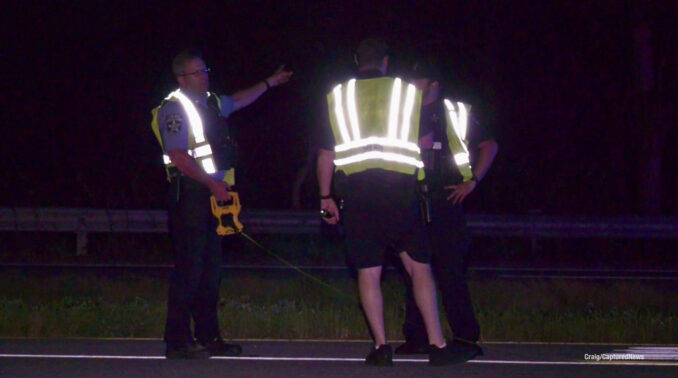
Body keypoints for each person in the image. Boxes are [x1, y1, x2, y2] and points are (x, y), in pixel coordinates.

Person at [316, 37, 462, 366]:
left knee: (369, 272)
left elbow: (326, 153)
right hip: (400, 189)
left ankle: (381, 347)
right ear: (385, 61)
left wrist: (326, 197)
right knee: (418, 266)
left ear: (356, 60)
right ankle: (437, 345)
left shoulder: (337, 96)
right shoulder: (407, 92)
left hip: (358, 191)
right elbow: (425, 139)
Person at [150, 49, 292, 359]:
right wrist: (212, 184)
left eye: (205, 70)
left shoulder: (211, 103)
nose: (205, 75)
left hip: (213, 194)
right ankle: (178, 340)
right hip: (190, 194)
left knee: (211, 270)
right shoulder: (174, 109)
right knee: (189, 269)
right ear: (182, 78)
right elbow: (178, 157)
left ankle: (209, 336)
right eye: (198, 72)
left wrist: (270, 82)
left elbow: (240, 99)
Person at [394, 60, 498, 361]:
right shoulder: (402, 114)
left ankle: (466, 337)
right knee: (414, 268)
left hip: (446, 200)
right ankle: (417, 337)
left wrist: (472, 182)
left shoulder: (455, 112)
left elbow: (490, 146)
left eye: (417, 80)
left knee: (450, 270)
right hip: (411, 199)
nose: (411, 85)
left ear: (433, 84)